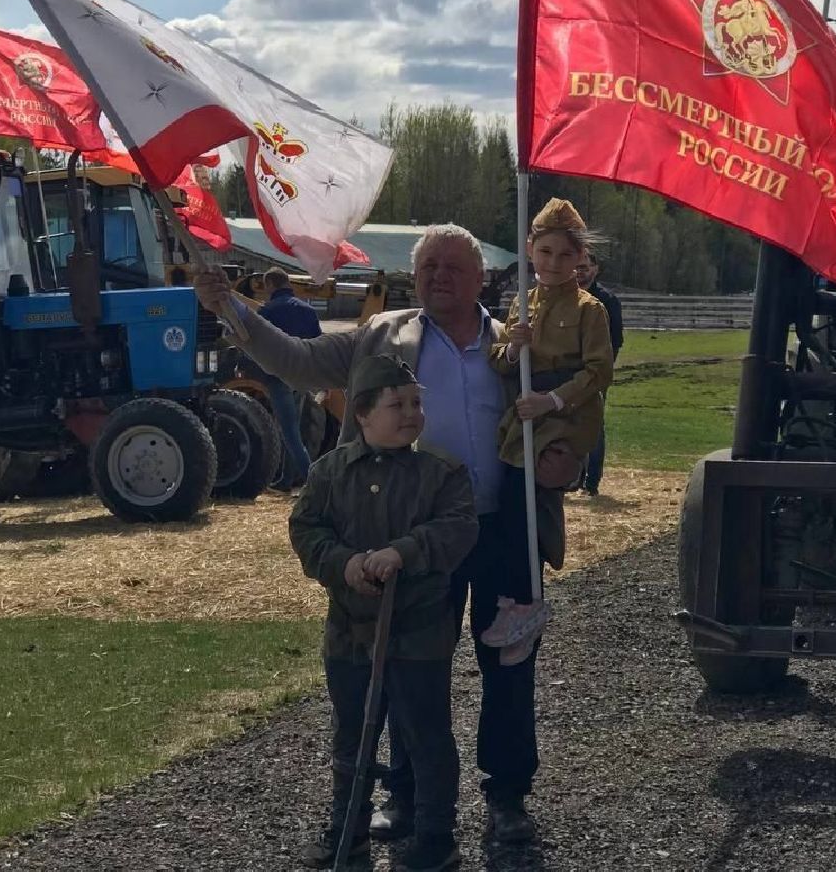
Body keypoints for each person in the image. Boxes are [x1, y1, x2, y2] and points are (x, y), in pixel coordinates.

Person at [194, 224, 568, 845]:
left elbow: (564, 423)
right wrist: (231, 307)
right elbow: (297, 361)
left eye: (453, 267)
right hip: (410, 536)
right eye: (429, 267)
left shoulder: (517, 346)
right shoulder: (382, 335)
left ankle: (507, 798)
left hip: (505, 528)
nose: (439, 277)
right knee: (405, 666)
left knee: (510, 665)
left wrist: (568, 465)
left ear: (481, 279)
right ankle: (406, 793)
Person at [289, 354, 477, 872]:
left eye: (417, 403)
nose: (412, 413)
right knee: (352, 735)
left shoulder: (441, 474)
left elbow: (458, 528)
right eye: (397, 405)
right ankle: (346, 833)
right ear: (363, 413)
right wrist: (343, 564)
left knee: (426, 736)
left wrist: (405, 552)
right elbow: (306, 530)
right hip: (350, 634)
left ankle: (436, 837)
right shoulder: (329, 472)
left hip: (419, 635)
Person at [485, 199, 612, 659]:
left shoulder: (589, 309)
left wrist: (552, 400)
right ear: (530, 249)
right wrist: (515, 349)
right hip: (526, 416)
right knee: (510, 505)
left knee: (527, 498)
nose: (554, 264)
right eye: (545, 252)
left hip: (565, 415)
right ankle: (519, 596)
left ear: (581, 257)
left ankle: (528, 600)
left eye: (565, 255)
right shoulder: (524, 300)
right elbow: (498, 360)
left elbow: (599, 372)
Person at [256, 266, 322, 490]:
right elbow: (318, 343)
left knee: (289, 432)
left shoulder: (267, 311)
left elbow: (257, 344)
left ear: (271, 285)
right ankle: (285, 479)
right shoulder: (308, 310)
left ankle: (314, 481)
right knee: (293, 429)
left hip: (279, 376)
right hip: (302, 377)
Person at [575, 248, 623, 497]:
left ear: (595, 269)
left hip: (596, 371)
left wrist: (602, 370)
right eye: (577, 267)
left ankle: (591, 481)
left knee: (594, 424)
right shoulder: (566, 297)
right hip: (570, 371)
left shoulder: (608, 300)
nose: (581, 273)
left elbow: (616, 340)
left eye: (585, 268)